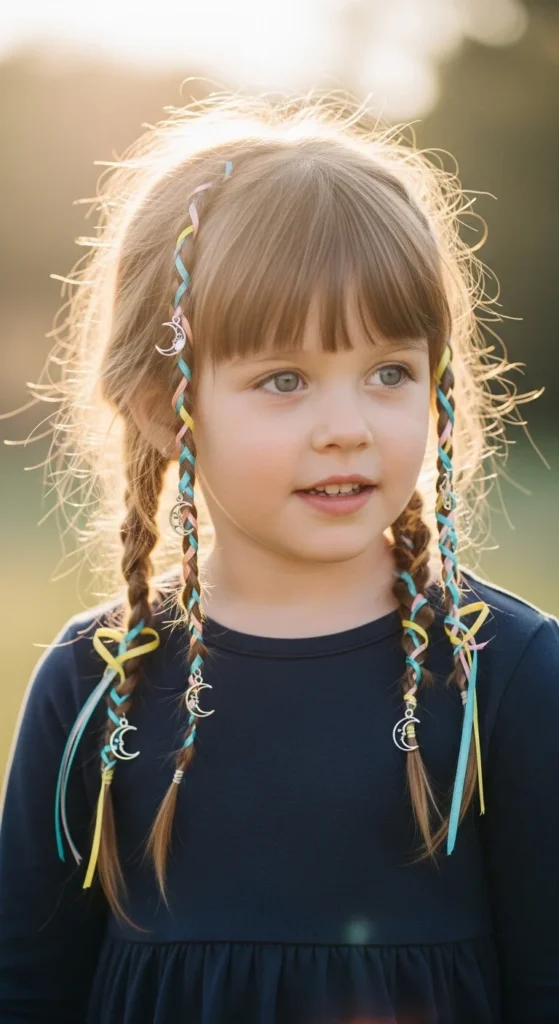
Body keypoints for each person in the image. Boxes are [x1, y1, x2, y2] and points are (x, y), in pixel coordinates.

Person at [0, 92, 557, 1024]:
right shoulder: (95, 681)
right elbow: (23, 986)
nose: (346, 428)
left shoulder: (505, 673)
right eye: (284, 380)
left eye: (389, 371)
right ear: (158, 407)